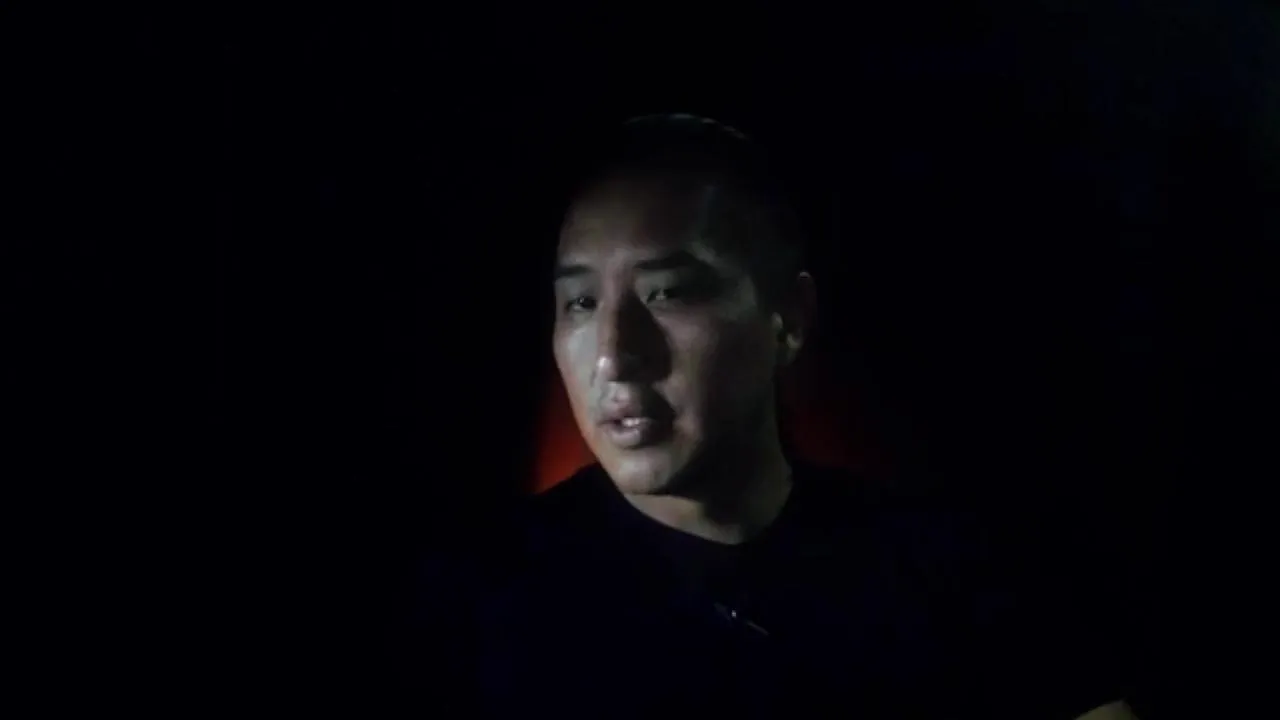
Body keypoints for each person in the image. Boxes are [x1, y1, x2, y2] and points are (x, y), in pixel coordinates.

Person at [412, 114, 1139, 719]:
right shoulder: (476, 607)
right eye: (580, 302)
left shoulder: (945, 574)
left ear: (787, 318)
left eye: (669, 292)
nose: (614, 354)